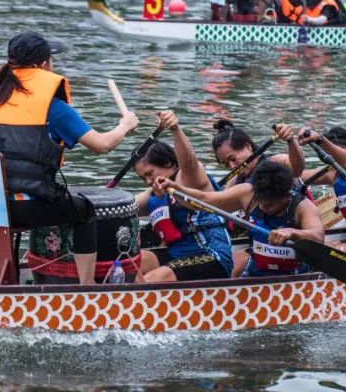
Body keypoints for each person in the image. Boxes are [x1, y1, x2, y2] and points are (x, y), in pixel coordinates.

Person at [0, 31, 138, 285]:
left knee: (45, 200)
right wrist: (125, 125)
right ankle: (87, 287)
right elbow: (102, 145)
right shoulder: (53, 107)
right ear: (44, 65)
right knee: (84, 211)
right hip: (24, 208)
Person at [155, 160, 323, 277]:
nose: (263, 207)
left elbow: (318, 236)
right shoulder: (247, 193)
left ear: (286, 196)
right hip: (257, 269)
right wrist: (175, 188)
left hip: (294, 274)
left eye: (270, 205)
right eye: (260, 202)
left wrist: (293, 232)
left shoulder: (303, 207)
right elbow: (204, 200)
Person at [134, 111, 234, 282]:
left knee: (153, 279)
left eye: (149, 173)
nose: (148, 181)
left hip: (212, 255)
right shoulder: (154, 192)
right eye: (142, 178)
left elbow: (189, 160)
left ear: (167, 163)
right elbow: (124, 206)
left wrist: (175, 129)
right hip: (177, 255)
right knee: (132, 264)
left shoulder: (189, 176)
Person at [212, 119, 305, 188]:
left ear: (247, 147)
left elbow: (297, 170)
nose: (232, 166)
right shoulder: (233, 182)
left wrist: (290, 140)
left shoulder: (275, 162)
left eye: (232, 159)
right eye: (226, 164)